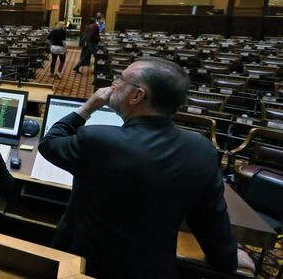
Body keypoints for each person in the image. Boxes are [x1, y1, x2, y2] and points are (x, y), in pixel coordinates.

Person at [39, 58, 253, 278]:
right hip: (153, 270)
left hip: (81, 267)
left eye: (120, 79)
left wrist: (87, 107)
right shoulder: (202, 149)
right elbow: (210, 219)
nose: (114, 83)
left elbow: (50, 143)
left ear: (137, 95)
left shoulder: (99, 139)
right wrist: (227, 259)